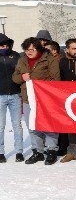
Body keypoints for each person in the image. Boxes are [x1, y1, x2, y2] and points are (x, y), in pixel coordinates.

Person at [12, 37, 61, 165]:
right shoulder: (22, 60)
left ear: (38, 49)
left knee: (49, 124)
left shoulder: (49, 59)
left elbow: (56, 79)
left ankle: (51, 151)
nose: (29, 52)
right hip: (28, 98)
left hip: (46, 98)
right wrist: (22, 77)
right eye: (27, 49)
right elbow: (15, 77)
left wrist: (42, 87)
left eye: (32, 49)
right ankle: (37, 152)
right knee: (32, 125)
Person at [0, 34, 23, 163]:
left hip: (15, 94)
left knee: (17, 125)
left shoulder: (15, 56)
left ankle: (19, 151)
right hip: (0, 96)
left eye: (6, 45)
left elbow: (21, 70)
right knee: (0, 125)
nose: (4, 47)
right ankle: (0, 152)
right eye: (1, 45)